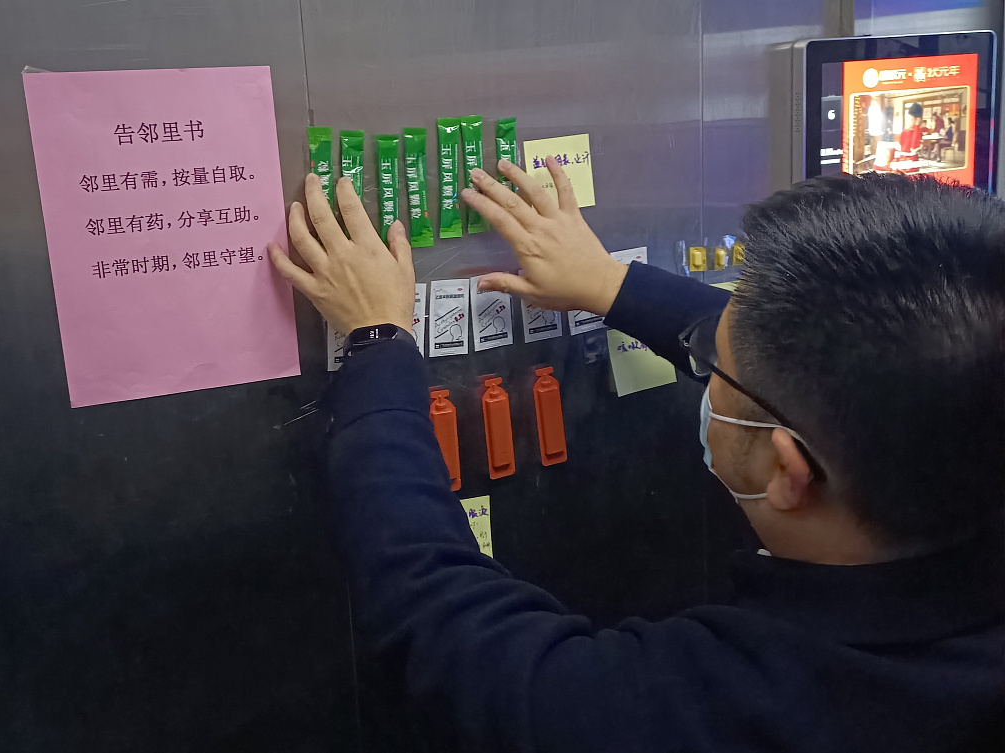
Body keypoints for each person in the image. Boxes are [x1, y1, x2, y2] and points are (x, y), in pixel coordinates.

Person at [268, 160, 1004, 752]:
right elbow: (810, 360)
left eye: (713, 366)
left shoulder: (731, 714)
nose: (706, 368)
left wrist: (377, 344)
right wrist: (614, 285)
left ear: (789, 472)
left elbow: (443, 617)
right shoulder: (965, 419)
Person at [893, 102, 926, 172]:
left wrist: (917, 126)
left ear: (918, 120)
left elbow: (913, 147)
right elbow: (900, 148)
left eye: (911, 119)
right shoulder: (904, 132)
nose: (909, 121)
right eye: (908, 118)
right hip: (902, 162)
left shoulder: (918, 133)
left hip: (912, 165)